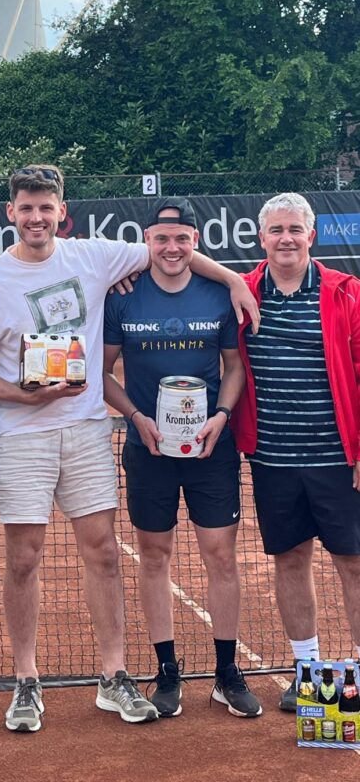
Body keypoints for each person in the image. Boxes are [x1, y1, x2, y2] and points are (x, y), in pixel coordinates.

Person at [0, 166, 259, 732]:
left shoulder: (94, 256)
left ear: (62, 212)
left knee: (104, 553)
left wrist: (233, 280)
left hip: (88, 430)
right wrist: (24, 394)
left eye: (46, 207)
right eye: (27, 208)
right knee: (23, 558)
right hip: (21, 436)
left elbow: (171, 250)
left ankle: (113, 676)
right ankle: (26, 680)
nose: (37, 217)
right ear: (11, 212)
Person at [103, 197, 262, 720]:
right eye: (161, 239)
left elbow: (234, 367)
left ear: (195, 242)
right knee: (154, 556)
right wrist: (134, 417)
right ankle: (167, 671)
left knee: (220, 555)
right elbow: (102, 373)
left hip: (211, 447)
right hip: (148, 448)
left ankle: (226, 673)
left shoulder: (219, 294)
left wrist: (222, 415)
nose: (171, 248)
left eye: (181, 239)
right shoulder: (122, 295)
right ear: (146, 241)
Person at [230, 192, 360, 711]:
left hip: (337, 460)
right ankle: (308, 673)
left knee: (353, 563)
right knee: (290, 561)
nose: (286, 239)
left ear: (312, 235)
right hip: (272, 461)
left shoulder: (346, 293)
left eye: (295, 229)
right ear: (261, 238)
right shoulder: (242, 292)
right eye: (277, 230)